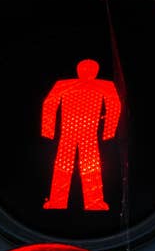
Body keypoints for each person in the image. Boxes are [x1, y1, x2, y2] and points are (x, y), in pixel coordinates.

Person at [40, 59, 122, 212]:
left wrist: (108, 132)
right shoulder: (64, 84)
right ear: (78, 70)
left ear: (96, 71)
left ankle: (94, 203)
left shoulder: (103, 85)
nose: (87, 72)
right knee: (64, 165)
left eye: (90, 69)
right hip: (69, 132)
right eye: (84, 69)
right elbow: (50, 104)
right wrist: (48, 130)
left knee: (89, 167)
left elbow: (114, 106)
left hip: (88, 133)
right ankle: (58, 202)